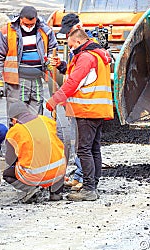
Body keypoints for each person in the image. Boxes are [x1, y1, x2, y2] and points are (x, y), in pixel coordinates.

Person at [46, 29, 114, 201]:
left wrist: (54, 100)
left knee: (84, 150)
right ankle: (93, 185)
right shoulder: (97, 55)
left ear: (77, 42)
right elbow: (82, 77)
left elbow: (74, 82)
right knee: (93, 149)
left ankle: (89, 189)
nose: (70, 49)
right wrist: (62, 65)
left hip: (87, 109)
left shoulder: (85, 57)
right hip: (98, 110)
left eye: (71, 45)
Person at [0, 6, 58, 115]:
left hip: (36, 79)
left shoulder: (45, 30)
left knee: (36, 114)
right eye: (26, 25)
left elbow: (52, 48)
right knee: (17, 115)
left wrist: (50, 61)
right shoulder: (8, 31)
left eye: (32, 25)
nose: (29, 27)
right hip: (16, 81)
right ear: (20, 19)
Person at [3, 101, 66, 203]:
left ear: (14, 119)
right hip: (59, 172)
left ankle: (31, 190)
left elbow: (10, 160)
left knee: (7, 174)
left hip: (34, 176)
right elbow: (60, 142)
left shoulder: (15, 131)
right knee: (57, 156)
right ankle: (56, 193)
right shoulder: (46, 120)